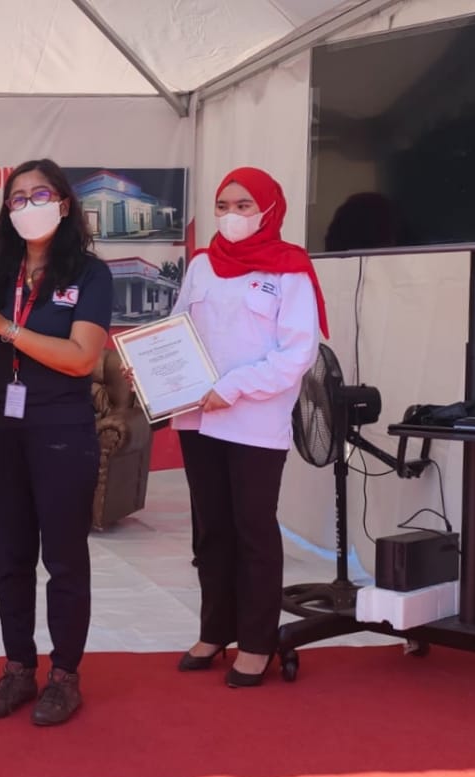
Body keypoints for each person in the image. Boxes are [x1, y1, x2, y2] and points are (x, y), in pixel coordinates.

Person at [0, 158, 113, 726]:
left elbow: (81, 358)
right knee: (11, 557)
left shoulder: (89, 275)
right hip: (2, 428)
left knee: (65, 559)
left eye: (38, 195)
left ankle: (65, 675)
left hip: (61, 429)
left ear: (64, 204)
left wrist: (7, 328)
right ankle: (19, 667)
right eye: (16, 198)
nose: (26, 206)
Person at [171, 167, 326, 687]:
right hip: (196, 417)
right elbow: (178, 331)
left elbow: (298, 353)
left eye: (243, 205)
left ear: (268, 209)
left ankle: (258, 641)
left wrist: (233, 388)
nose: (231, 216)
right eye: (223, 205)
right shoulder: (200, 265)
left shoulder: (289, 268)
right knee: (209, 528)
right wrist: (151, 368)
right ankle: (214, 630)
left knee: (253, 530)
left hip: (254, 422)